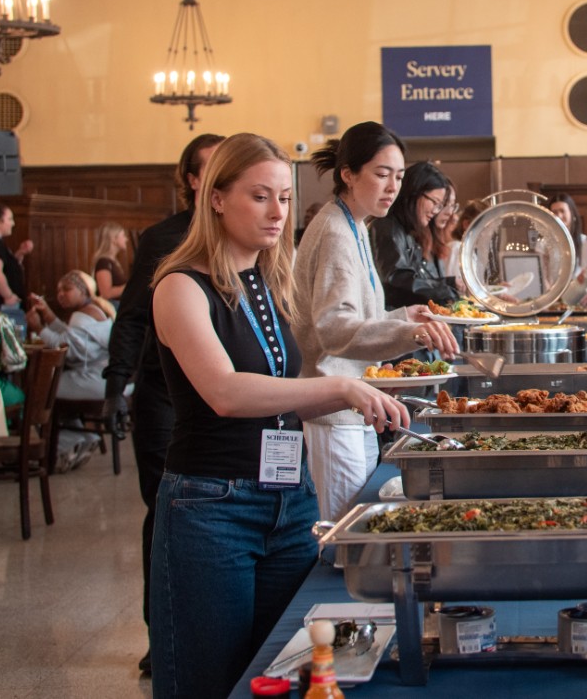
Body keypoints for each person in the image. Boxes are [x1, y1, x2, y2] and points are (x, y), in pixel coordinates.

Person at [149, 133, 409, 699]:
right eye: (260, 196)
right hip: (212, 504)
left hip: (288, 499)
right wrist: (338, 384)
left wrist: (357, 397)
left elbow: (286, 388)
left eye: (285, 198)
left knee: (287, 669)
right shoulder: (180, 285)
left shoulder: (268, 279)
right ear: (215, 198)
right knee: (210, 680)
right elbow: (225, 393)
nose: (277, 213)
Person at [103, 131, 223, 677]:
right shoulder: (162, 239)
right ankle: (162, 630)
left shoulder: (247, 236)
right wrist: (116, 381)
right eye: (211, 169)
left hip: (224, 395)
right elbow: (131, 315)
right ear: (194, 181)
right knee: (166, 511)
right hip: (162, 394)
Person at [294, 122, 459, 519]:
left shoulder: (355, 224)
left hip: (353, 405)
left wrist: (405, 315)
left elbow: (360, 316)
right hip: (332, 411)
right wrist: (411, 331)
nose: (392, 187)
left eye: (399, 177)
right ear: (348, 174)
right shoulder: (335, 229)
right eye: (381, 174)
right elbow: (333, 328)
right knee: (343, 533)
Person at [27, 271, 116, 471]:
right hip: (107, 379)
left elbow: (70, 350)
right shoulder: (93, 309)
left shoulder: (81, 315)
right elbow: (71, 336)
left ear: (83, 290)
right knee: (52, 385)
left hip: (95, 380)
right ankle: (85, 437)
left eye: (66, 289)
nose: (60, 294)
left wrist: (39, 328)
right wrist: (48, 314)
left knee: (41, 390)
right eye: (58, 290)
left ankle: (61, 446)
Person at [369, 160, 459, 309]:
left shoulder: (407, 230)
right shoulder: (387, 226)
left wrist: (449, 284)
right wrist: (444, 291)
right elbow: (397, 278)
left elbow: (417, 277)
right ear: (415, 193)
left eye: (439, 206)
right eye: (435, 202)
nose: (435, 211)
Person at [92, 222, 130, 302]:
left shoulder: (113, 261)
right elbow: (106, 293)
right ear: (113, 239)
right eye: (123, 235)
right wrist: (131, 285)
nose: (126, 239)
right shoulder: (103, 262)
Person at [547, 192, 583, 272]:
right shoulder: (544, 243)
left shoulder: (584, 241)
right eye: (555, 212)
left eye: (562, 211)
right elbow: (543, 273)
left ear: (572, 213)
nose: (559, 216)